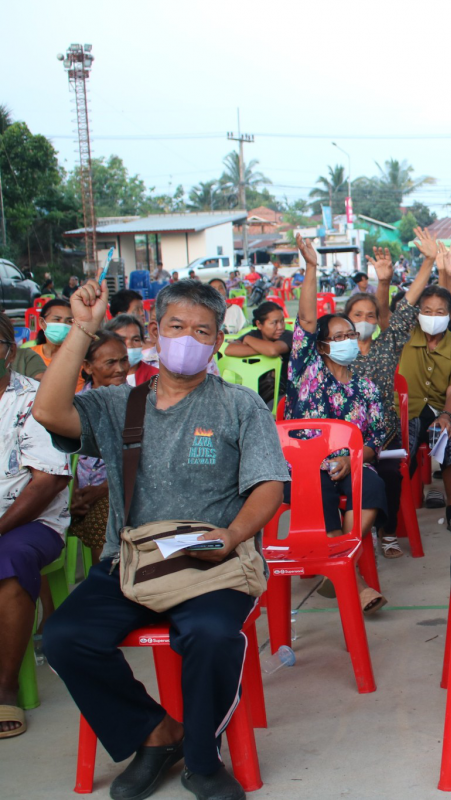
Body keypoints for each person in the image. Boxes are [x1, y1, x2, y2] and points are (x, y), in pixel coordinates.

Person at [35, 279, 289, 799]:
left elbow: (270, 486)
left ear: (218, 341)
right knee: (64, 637)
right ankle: (156, 734)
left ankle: (201, 758)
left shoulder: (240, 406)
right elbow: (48, 411)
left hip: (213, 560)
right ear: (155, 331)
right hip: (130, 560)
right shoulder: (118, 405)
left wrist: (233, 534)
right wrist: (82, 330)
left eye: (201, 330)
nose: (187, 338)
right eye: (176, 327)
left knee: (212, 636)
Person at [287, 237, 398, 603]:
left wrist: (350, 459)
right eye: (338, 336)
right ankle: (351, 578)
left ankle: (334, 569)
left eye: (350, 334)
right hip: (303, 467)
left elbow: (377, 438)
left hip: (348, 466)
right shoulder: (308, 369)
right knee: (316, 485)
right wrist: (312, 268)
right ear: (321, 346)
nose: (348, 339)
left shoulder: (366, 387)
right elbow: (305, 319)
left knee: (373, 485)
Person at [0, 312, 72, 740]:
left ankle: (6, 686)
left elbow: (48, 480)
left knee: (9, 558)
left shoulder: (34, 400)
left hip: (30, 520)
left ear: (10, 351)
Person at [344, 247, 431, 557]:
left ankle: (388, 532)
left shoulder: (386, 345)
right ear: (346, 319)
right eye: (358, 315)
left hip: (384, 434)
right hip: (344, 437)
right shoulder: (336, 352)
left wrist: (429, 262)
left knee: (392, 473)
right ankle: (337, 538)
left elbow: (406, 305)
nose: (365, 320)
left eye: (370, 315)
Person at [397, 282, 451, 539]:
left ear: (450, 316)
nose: (433, 317)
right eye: (427, 311)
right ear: (417, 313)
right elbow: (387, 315)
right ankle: (397, 510)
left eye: (440, 312)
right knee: (404, 442)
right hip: (408, 409)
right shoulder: (404, 336)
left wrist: (446, 415)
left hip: (442, 408)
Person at [68, 330, 132, 564]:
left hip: (120, 492)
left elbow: (141, 460)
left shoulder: (138, 401)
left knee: (106, 521)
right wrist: (72, 496)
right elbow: (65, 455)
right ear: (87, 366)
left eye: (124, 359)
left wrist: (104, 489)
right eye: (110, 362)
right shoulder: (75, 407)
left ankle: (109, 587)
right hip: (79, 495)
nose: (121, 368)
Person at [221, 301, 292, 408]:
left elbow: (273, 350)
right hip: (252, 391)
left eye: (282, 321)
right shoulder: (254, 335)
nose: (280, 326)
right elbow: (230, 350)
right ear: (259, 325)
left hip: (280, 393)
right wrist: (264, 351)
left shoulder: (287, 335)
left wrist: (247, 340)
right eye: (274, 323)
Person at [21, 299, 85, 391]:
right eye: (57, 319)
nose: (63, 325)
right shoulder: (28, 355)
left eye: (69, 321)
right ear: (42, 323)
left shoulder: (80, 358)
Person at [105, 314, 158, 386]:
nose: (129, 345)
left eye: (136, 340)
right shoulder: (102, 377)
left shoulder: (156, 377)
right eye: (122, 340)